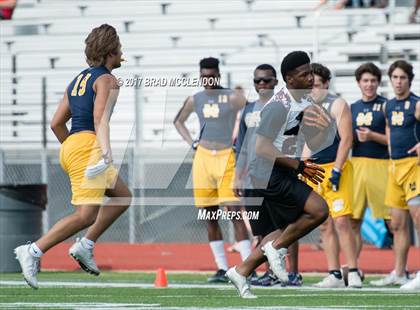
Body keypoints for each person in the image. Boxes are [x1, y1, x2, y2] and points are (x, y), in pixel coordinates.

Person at [14, 24, 132, 289]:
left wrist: (74, 148)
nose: (122, 51)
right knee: (86, 215)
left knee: (123, 196)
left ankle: (85, 245)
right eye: (119, 47)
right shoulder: (108, 80)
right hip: (88, 146)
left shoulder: (77, 79)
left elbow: (56, 123)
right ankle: (33, 250)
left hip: (73, 145)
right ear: (110, 50)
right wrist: (104, 153)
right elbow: (99, 117)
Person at [226, 51, 330, 298]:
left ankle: (241, 271)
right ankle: (277, 249)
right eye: (304, 74)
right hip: (268, 173)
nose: (310, 78)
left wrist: (321, 130)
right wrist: (299, 166)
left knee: (280, 229)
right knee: (319, 210)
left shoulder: (304, 102)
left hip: (279, 171)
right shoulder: (278, 106)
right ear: (289, 78)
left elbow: (311, 138)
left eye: (311, 72)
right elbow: (261, 147)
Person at [173, 57, 250, 283]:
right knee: (209, 216)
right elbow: (178, 121)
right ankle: (222, 269)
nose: (209, 79)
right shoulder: (195, 99)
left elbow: (251, 116)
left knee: (235, 213)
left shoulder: (233, 96)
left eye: (212, 75)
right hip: (203, 158)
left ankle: (247, 267)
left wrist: (241, 141)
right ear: (200, 76)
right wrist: (193, 143)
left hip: (227, 156)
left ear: (218, 74)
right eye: (204, 76)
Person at [234, 63, 302, 287]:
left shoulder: (282, 106)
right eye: (257, 80)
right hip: (253, 176)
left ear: (276, 81)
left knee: (287, 224)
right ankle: (273, 272)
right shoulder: (248, 109)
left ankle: (293, 273)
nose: (261, 84)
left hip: (277, 173)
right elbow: (242, 144)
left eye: (266, 80)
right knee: (262, 229)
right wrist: (237, 176)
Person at [304, 63, 362, 289]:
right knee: (324, 224)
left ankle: (354, 270)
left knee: (342, 221)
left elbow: (347, 139)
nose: (313, 90)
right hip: (315, 170)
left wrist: (337, 170)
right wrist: (303, 167)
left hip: (335, 168)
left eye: (317, 85)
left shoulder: (338, 104)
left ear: (326, 83)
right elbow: (307, 143)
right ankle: (334, 273)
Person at [370, 60, 420, 290]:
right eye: (395, 78)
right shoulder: (389, 106)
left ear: (409, 79)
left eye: (402, 77)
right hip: (394, 167)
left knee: (419, 221)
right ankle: (400, 273)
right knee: (397, 225)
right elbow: (390, 133)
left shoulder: (417, 104)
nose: (398, 81)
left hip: (414, 168)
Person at [350, 63, 390, 262]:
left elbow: (396, 141)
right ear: (358, 83)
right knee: (353, 220)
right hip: (356, 165)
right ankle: (352, 267)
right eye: (365, 80)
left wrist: (373, 136)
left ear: (378, 82)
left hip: (381, 165)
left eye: (373, 80)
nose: (369, 84)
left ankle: (400, 269)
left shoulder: (386, 105)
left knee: (392, 220)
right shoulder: (353, 107)